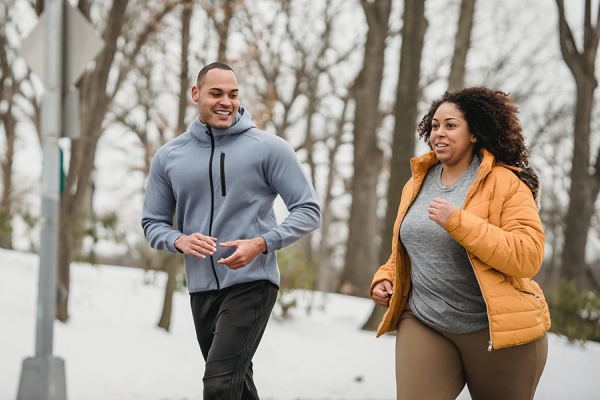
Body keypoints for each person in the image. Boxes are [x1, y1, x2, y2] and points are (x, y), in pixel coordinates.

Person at [142, 62, 321, 399]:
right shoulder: (169, 157)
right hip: (201, 288)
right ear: (196, 95)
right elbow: (152, 222)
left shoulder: (269, 148)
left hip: (252, 282)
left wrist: (261, 244)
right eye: (216, 93)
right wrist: (178, 239)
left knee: (219, 384)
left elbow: (308, 210)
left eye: (233, 94)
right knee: (237, 385)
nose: (226, 101)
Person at [371, 87, 550, 400]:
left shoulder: (507, 182)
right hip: (426, 321)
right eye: (435, 125)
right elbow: (409, 250)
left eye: (451, 125)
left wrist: (459, 222)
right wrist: (387, 276)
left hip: (497, 332)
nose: (439, 133)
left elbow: (528, 256)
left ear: (475, 134)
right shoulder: (417, 181)